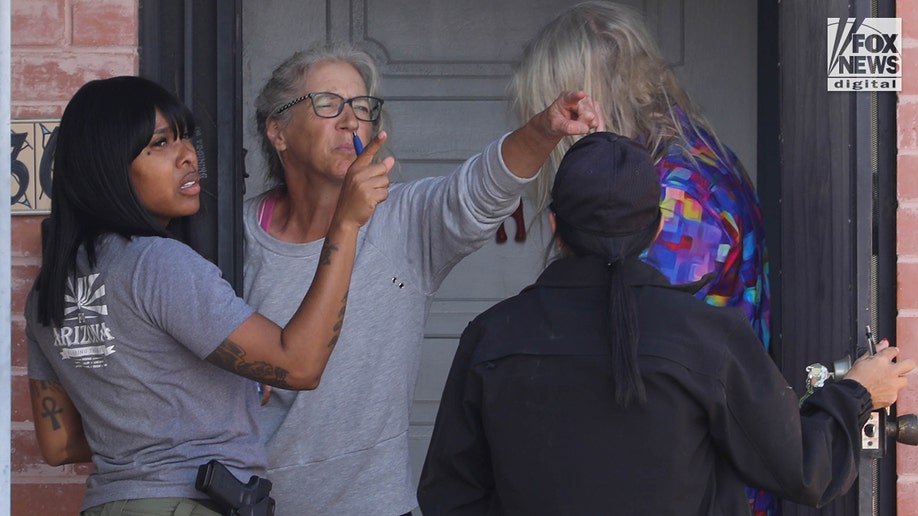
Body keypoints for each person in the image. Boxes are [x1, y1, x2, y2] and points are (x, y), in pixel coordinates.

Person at [416, 132, 916, 515]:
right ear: (655, 227)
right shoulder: (708, 338)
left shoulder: (492, 336)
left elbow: (449, 494)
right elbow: (804, 469)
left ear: (553, 225)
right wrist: (855, 393)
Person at [244, 42, 603, 515]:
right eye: (328, 104)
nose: (351, 121)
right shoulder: (234, 237)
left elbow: (479, 191)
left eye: (361, 107)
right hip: (256, 503)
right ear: (278, 132)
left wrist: (544, 129)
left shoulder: (403, 222)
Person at [26, 75, 390, 515]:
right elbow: (298, 365)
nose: (186, 156)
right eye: (159, 144)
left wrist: (205, 406)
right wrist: (346, 224)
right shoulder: (157, 263)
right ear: (108, 165)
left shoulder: (48, 291)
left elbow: (60, 443)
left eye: (184, 139)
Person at [511, 1, 770, 348]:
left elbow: (641, 358)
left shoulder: (676, 200)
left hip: (694, 401)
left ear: (578, 107)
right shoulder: (686, 160)